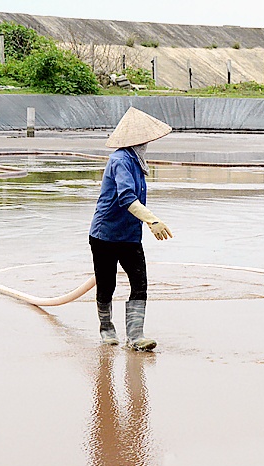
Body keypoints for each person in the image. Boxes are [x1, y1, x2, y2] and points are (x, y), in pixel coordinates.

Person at [89, 107, 173, 350]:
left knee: (140, 282)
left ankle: (136, 336)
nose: (148, 143)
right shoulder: (121, 161)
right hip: (105, 235)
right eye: (145, 139)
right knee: (107, 285)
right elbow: (126, 198)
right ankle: (106, 328)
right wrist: (153, 221)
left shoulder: (137, 162)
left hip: (129, 235)